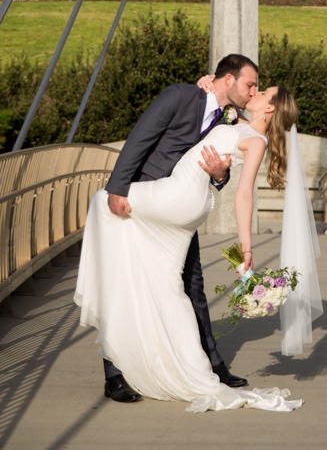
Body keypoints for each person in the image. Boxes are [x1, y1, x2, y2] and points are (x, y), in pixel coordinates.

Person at [74, 81, 306, 412]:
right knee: (167, 286)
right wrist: (205, 83)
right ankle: (181, 366)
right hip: (183, 199)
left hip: (179, 197)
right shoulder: (234, 121)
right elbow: (212, 108)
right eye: (252, 86)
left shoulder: (256, 140)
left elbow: (243, 196)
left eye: (261, 92)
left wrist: (246, 250)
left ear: (270, 109)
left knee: (103, 202)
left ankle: (137, 356)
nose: (253, 93)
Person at [94, 53, 259, 402]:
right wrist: (117, 190)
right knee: (123, 286)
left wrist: (220, 175)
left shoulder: (227, 119)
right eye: (250, 84)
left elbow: (218, 170)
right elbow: (139, 140)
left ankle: (212, 366)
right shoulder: (179, 96)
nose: (252, 91)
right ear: (228, 79)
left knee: (192, 284)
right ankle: (114, 376)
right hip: (140, 204)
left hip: (175, 212)